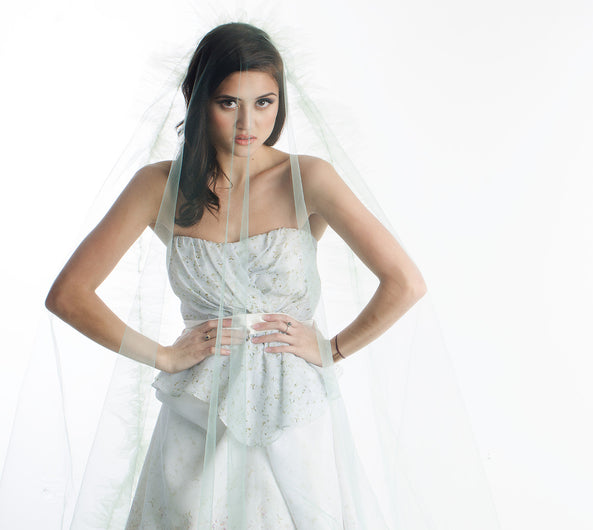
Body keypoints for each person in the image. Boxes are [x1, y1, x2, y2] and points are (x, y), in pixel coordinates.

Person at [2, 21, 499, 530]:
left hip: (292, 413)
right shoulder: (157, 186)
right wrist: (164, 356)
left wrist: (332, 350)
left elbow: (405, 282)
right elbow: (68, 295)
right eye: (228, 103)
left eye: (264, 102)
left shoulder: (307, 177)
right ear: (197, 99)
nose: (249, 123)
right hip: (199, 411)